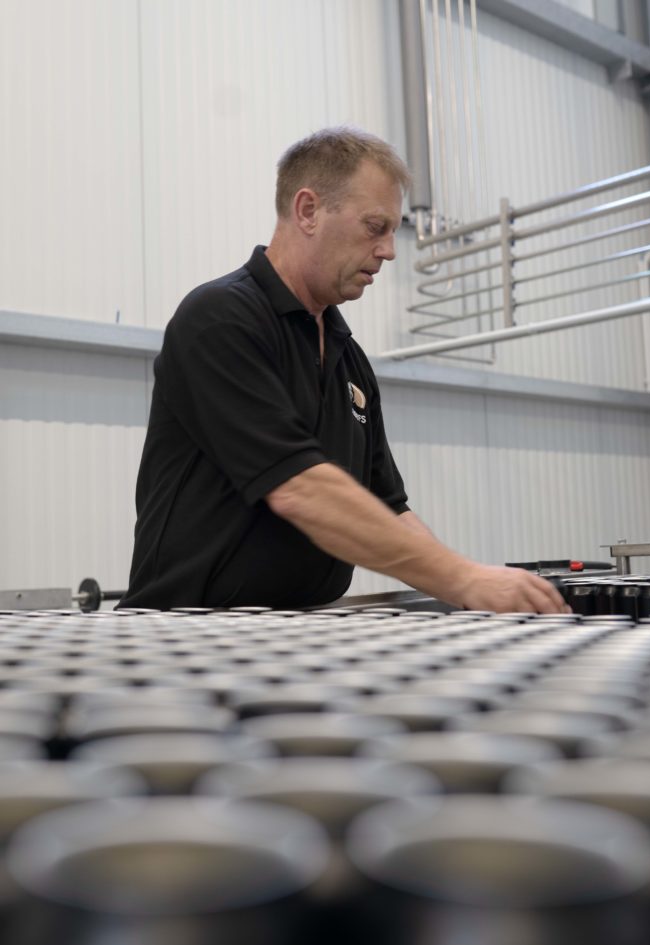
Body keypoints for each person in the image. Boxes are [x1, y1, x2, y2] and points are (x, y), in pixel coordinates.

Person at [119, 127, 568, 615]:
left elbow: (388, 506)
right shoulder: (221, 320)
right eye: (375, 227)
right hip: (192, 636)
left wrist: (470, 588)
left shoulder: (346, 357)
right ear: (308, 211)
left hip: (302, 631)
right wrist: (462, 579)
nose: (390, 251)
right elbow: (299, 488)